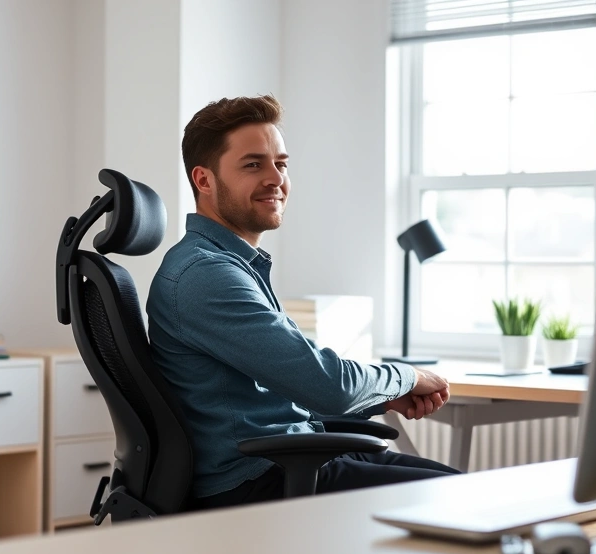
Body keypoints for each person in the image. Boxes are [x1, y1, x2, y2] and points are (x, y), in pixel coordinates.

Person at [146, 95, 459, 512]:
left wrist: (381, 399)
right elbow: (329, 384)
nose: (276, 178)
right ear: (204, 180)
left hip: (292, 457)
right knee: (466, 501)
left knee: (465, 491)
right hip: (257, 481)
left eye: (282, 163)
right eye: (253, 164)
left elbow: (292, 387)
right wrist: (406, 377)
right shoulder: (207, 275)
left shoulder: (229, 264)